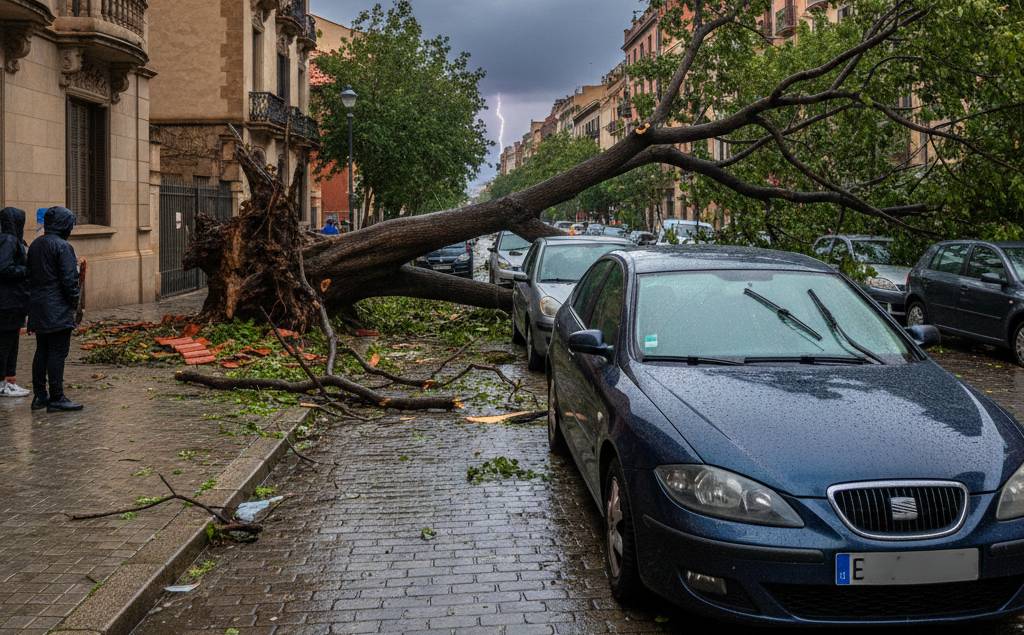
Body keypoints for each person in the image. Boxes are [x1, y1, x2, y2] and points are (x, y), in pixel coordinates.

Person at [27, 206, 83, 412]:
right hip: (56, 306)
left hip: (39, 305)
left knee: (42, 350)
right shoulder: (62, 247)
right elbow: (69, 280)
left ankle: (40, 396)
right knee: (57, 352)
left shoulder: (36, 245)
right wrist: (74, 302)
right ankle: (56, 397)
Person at [0, 208, 30, 397]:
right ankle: (2, 383)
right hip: (7, 301)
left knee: (11, 341)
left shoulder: (12, 240)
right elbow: (4, 268)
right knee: (5, 343)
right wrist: (27, 270)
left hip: (13, 300)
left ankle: (9, 380)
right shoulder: (8, 240)